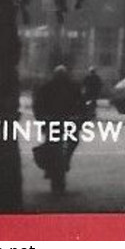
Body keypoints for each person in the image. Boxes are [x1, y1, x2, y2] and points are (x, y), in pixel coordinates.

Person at [31, 65, 84, 195]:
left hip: (55, 120)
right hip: (63, 120)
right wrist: (80, 118)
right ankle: (64, 161)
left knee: (57, 143)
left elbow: (38, 105)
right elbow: (81, 104)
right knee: (72, 141)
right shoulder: (72, 87)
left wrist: (41, 119)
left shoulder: (47, 87)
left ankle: (54, 166)